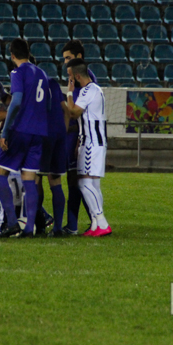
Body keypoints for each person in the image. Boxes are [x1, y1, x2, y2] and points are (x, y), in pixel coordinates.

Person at [0, 38, 50, 238]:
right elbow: (47, 105)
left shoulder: (17, 72)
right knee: (29, 179)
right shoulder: (42, 74)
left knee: (0, 173)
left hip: (20, 130)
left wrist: (6, 131)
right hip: (39, 132)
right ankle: (29, 229)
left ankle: (11, 223)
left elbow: (16, 101)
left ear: (12, 55)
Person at [65, 58, 111, 237]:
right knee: (93, 185)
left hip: (92, 142)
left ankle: (101, 221)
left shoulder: (87, 90)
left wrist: (69, 94)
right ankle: (95, 225)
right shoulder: (95, 89)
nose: (69, 80)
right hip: (94, 141)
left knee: (83, 182)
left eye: (70, 76)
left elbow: (73, 112)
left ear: (77, 76)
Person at [61, 40, 96, 234]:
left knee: (76, 181)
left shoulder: (85, 80)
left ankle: (82, 223)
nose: (65, 62)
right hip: (74, 135)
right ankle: (92, 221)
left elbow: (76, 112)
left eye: (68, 58)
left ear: (79, 57)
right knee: (76, 180)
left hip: (77, 136)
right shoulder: (81, 79)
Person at [38, 76, 68, 237]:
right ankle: (57, 228)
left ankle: (38, 226)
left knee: (35, 179)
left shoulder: (30, 82)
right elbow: (66, 110)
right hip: (59, 135)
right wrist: (63, 131)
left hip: (42, 134)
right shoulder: (53, 83)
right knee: (56, 182)